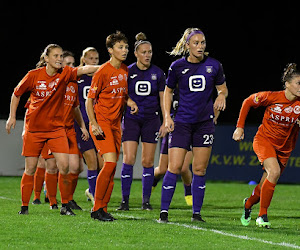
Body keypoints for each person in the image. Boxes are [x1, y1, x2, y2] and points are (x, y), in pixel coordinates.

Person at [6, 44, 100, 216]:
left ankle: (64, 205)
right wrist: (12, 116)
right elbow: (16, 93)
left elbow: (84, 69)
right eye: (55, 56)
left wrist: (105, 67)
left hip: (56, 129)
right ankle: (24, 206)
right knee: (31, 168)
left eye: (61, 56)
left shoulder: (65, 74)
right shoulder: (33, 75)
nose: (59, 59)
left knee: (63, 166)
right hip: (34, 129)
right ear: (46, 58)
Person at [158, 28, 228, 223]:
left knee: (199, 169)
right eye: (196, 43)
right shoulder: (177, 66)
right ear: (187, 45)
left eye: (203, 42)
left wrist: (221, 96)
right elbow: (168, 91)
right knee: (175, 167)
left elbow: (223, 89)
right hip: (181, 123)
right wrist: (167, 117)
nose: (200, 46)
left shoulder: (214, 65)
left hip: (204, 124)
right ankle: (164, 212)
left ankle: (196, 214)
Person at [233, 63, 300, 229]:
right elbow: (248, 101)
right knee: (274, 172)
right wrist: (240, 127)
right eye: (299, 83)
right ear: (287, 84)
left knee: (266, 184)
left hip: (284, 149)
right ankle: (262, 216)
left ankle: (248, 205)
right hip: (264, 140)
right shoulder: (272, 97)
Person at [86, 31, 138, 222]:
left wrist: (129, 101)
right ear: (110, 50)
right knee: (109, 164)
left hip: (116, 125)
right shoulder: (102, 72)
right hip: (102, 124)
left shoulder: (125, 70)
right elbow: (89, 101)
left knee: (111, 169)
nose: (125, 50)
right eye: (120, 47)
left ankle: (103, 209)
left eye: (126, 47)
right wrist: (94, 124)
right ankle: (96, 208)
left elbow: (121, 93)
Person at [117, 32, 167, 211]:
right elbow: (120, 95)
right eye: (144, 52)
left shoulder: (158, 73)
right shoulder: (127, 71)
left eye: (150, 52)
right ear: (136, 54)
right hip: (131, 120)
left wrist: (164, 120)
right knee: (129, 159)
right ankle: (125, 201)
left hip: (151, 121)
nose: (147, 55)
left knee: (147, 162)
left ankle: (145, 201)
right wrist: (129, 102)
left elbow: (163, 99)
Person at [75, 47, 103, 204]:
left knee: (101, 163)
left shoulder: (100, 77)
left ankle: (92, 190)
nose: (94, 61)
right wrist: (81, 126)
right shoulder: (76, 76)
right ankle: (94, 194)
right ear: (84, 60)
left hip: (98, 124)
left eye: (96, 59)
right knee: (91, 161)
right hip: (82, 125)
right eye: (91, 58)